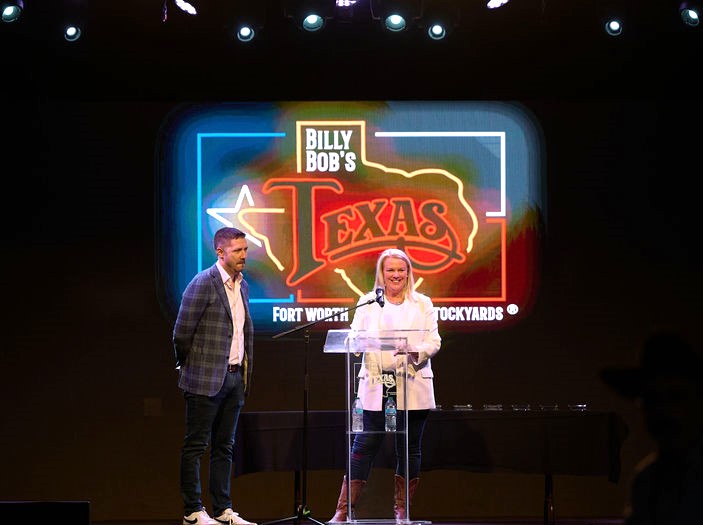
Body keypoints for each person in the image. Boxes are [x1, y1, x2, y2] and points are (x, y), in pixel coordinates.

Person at [329, 248, 441, 522]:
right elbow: (354, 339)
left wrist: (415, 350)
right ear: (382, 273)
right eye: (390, 270)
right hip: (377, 385)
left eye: (401, 270)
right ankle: (343, 512)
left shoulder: (422, 303)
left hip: (411, 383)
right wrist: (355, 343)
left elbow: (434, 341)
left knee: (409, 448)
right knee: (363, 446)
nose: (396, 275)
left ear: (409, 273)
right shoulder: (367, 302)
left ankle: (402, 512)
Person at [173, 227, 256, 525]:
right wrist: (189, 367)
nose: (244, 255)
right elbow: (182, 333)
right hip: (204, 379)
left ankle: (222, 510)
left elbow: (243, 333)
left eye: (245, 250)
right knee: (196, 446)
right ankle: (193, 511)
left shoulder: (242, 286)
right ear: (220, 252)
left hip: (234, 378)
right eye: (237, 251)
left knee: (225, 446)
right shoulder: (203, 283)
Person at [601, 331, 703, 525]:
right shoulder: (647, 480)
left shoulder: (648, 479)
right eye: (652, 399)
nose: (664, 411)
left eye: (676, 397)